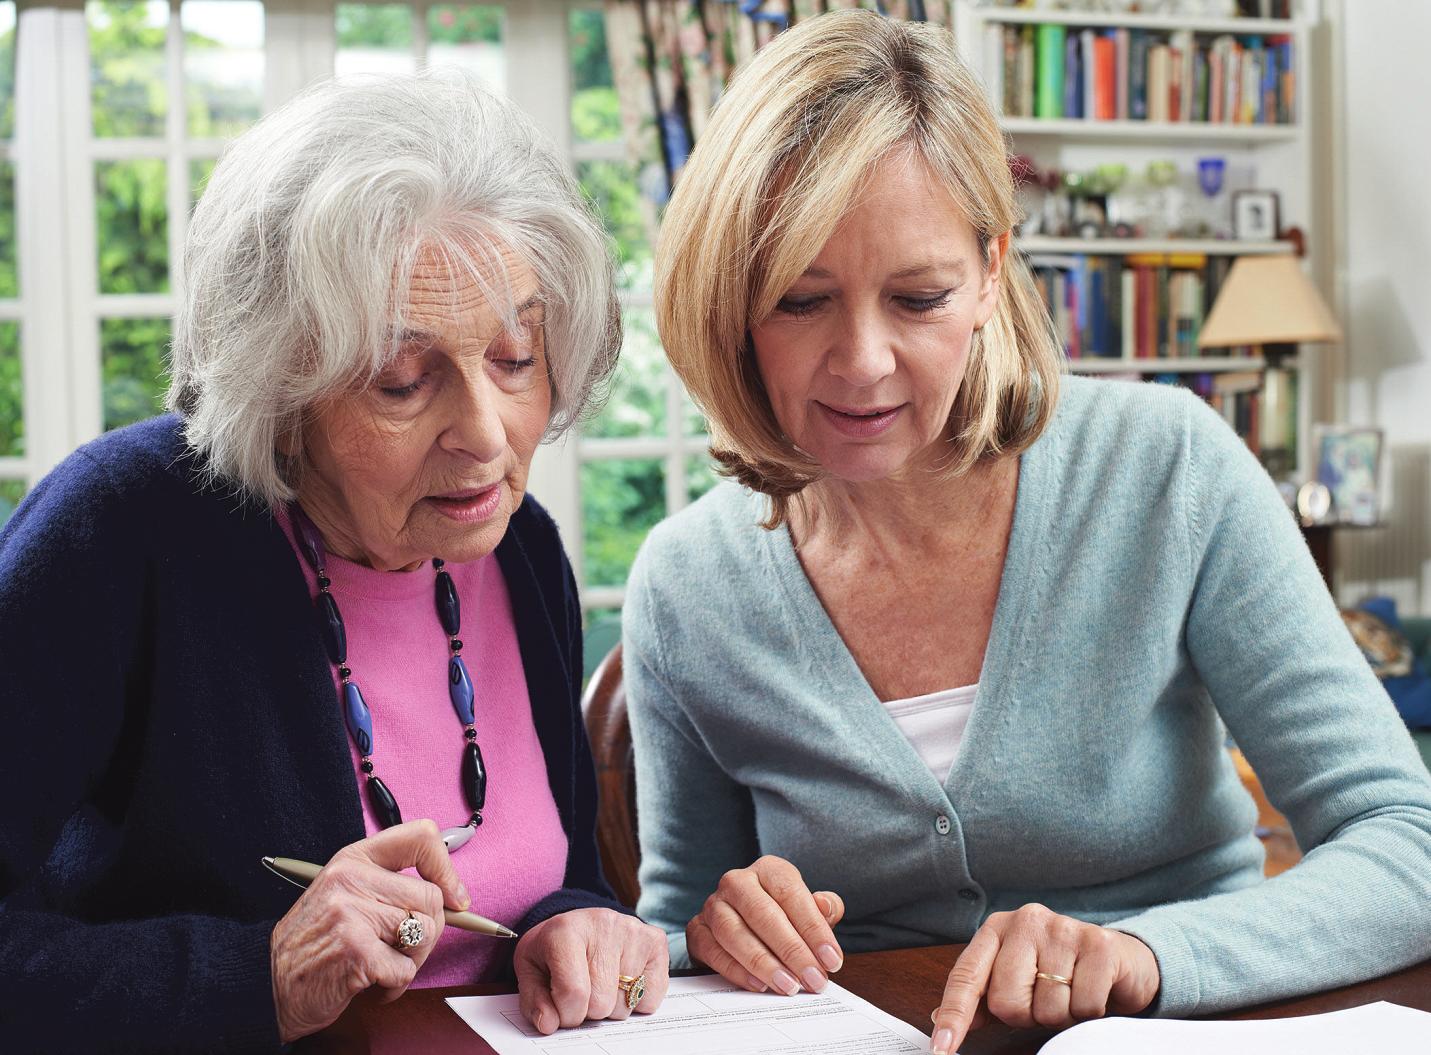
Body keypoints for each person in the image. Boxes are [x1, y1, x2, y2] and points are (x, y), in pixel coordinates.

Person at [622, 12, 1431, 1055]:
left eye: (919, 297)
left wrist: (1147, 954)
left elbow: (1407, 845)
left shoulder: (1167, 469)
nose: (863, 360)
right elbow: (671, 933)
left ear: (991, 272)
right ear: (731, 302)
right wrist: (717, 929)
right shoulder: (688, 583)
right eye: (800, 299)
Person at [0, 71, 668, 1052]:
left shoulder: (514, 544)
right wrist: (260, 973)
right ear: (283, 385)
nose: (484, 434)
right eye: (404, 379)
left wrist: (574, 920)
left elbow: (552, 870)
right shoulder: (120, 530)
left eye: (516, 356)